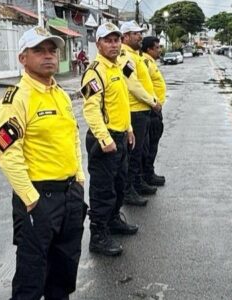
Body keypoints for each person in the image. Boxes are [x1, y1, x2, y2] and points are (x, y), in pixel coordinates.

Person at [0, 26, 87, 299]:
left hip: (69, 195)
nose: (48, 56)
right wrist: (31, 200)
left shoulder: (60, 94)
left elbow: (72, 138)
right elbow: (6, 153)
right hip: (38, 198)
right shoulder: (16, 99)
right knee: (31, 277)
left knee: (64, 272)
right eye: (39, 51)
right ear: (23, 58)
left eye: (52, 50)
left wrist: (79, 177)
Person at [81, 22, 139, 256]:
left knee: (118, 185)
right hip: (104, 141)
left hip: (121, 136)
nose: (114, 44)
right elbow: (91, 109)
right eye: (108, 40)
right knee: (102, 191)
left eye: (117, 40)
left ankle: (113, 220)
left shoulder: (117, 67)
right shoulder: (95, 72)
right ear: (98, 44)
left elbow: (121, 104)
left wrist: (129, 128)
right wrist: (104, 138)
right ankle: (98, 235)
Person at [118, 21, 162, 204]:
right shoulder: (125, 57)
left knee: (140, 153)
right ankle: (129, 191)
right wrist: (152, 101)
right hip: (135, 111)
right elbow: (133, 85)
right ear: (126, 36)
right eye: (136, 33)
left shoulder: (135, 56)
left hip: (142, 111)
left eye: (140, 33)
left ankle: (137, 184)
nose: (140, 37)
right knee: (134, 154)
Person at [141, 36, 166, 186]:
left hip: (154, 108)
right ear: (149, 49)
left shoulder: (149, 62)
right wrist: (154, 103)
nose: (159, 50)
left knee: (152, 144)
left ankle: (149, 172)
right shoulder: (144, 62)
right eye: (157, 47)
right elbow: (143, 86)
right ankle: (147, 175)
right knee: (149, 146)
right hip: (150, 109)